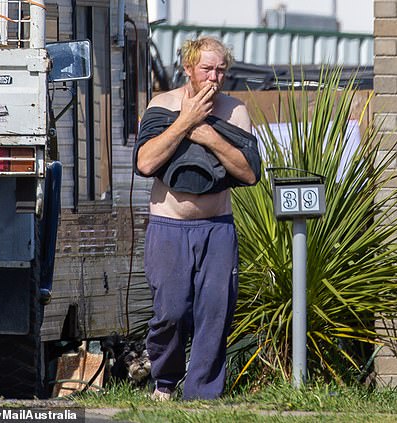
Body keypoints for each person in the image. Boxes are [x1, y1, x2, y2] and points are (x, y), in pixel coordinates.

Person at [133, 36, 261, 401]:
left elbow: (249, 173)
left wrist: (208, 134)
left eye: (221, 70)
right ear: (188, 68)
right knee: (170, 312)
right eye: (206, 69)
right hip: (169, 227)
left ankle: (203, 393)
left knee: (214, 312)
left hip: (217, 228)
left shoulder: (234, 112)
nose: (214, 77)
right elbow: (146, 162)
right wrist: (185, 121)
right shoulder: (163, 105)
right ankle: (165, 382)